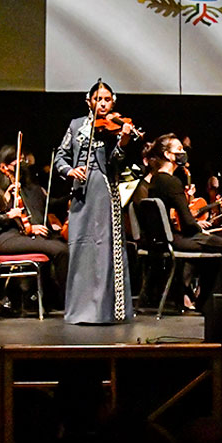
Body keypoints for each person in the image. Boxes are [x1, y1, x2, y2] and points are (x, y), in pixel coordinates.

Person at [55, 80, 136, 324]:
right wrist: (69, 171)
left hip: (103, 191)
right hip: (81, 194)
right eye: (98, 99)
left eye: (107, 99)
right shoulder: (76, 125)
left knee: (104, 249)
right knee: (80, 248)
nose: (102, 103)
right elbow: (61, 155)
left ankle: (104, 310)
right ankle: (80, 310)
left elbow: (116, 162)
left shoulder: (116, 127)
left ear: (113, 102)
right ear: (88, 100)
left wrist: (122, 142)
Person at [143, 133, 222, 307]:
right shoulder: (172, 182)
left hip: (165, 238)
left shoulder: (156, 180)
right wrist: (199, 228)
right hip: (177, 239)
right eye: (178, 149)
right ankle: (213, 303)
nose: (182, 153)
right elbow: (187, 224)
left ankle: (203, 299)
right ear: (167, 155)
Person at [0, 145, 68, 312]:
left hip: (19, 235)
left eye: (23, 159)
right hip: (5, 238)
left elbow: (44, 205)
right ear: (4, 166)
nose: (22, 162)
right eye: (18, 159)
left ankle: (51, 298)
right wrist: (27, 226)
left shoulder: (27, 186)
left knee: (60, 244)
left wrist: (71, 196)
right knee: (60, 250)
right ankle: (67, 301)